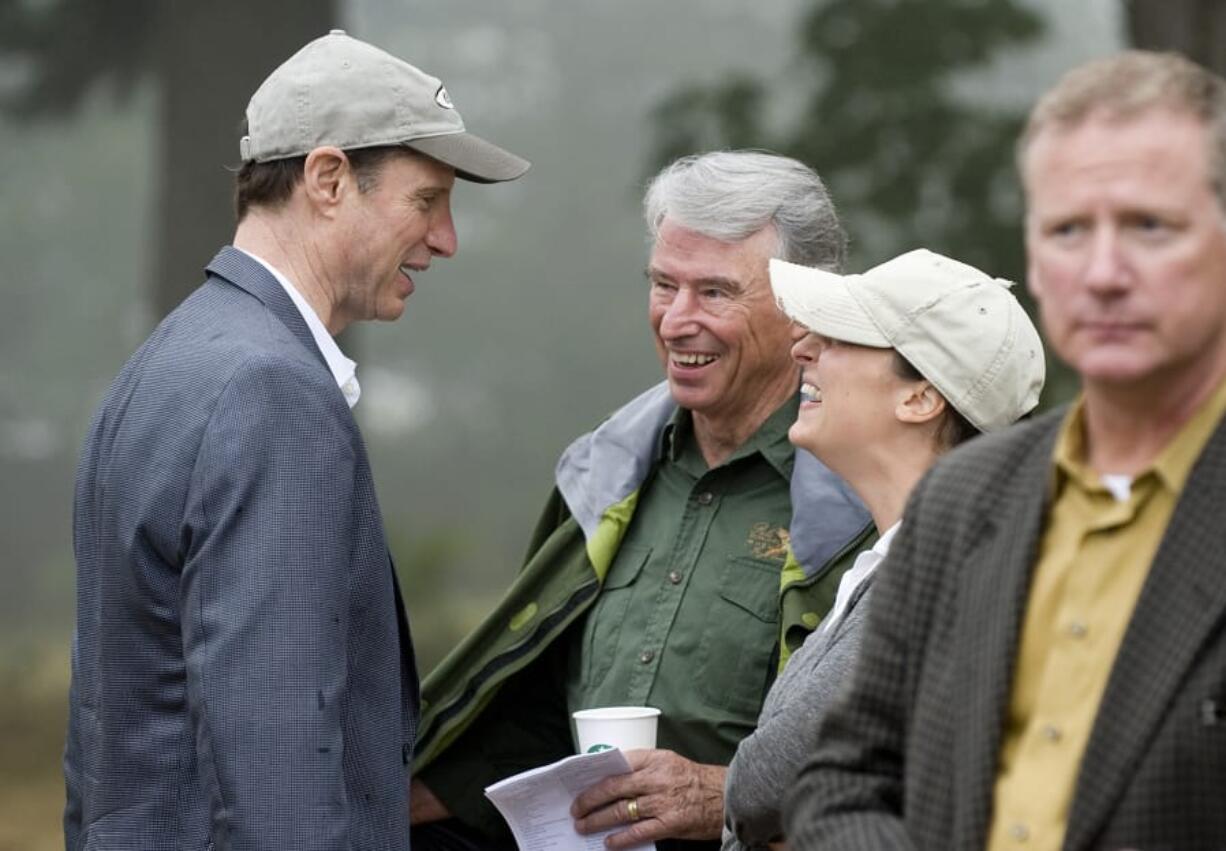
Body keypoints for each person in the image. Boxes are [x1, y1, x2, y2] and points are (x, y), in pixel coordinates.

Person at [63, 30, 528, 851]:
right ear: (327, 178)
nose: (446, 238)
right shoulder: (269, 390)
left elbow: (104, 744)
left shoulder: (165, 362)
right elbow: (279, 755)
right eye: (427, 200)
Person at [786, 49, 1226, 851]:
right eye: (1067, 230)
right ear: (1034, 258)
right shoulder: (963, 497)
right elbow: (842, 780)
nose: (1102, 272)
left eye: (1149, 225)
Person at [409, 151, 873, 850]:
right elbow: (531, 717)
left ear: (806, 309)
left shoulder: (871, 492)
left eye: (715, 292)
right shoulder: (603, 470)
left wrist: (723, 795)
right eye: (664, 284)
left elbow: (912, 755)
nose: (677, 319)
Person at [721, 248, 1044, 850]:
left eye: (841, 337)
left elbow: (762, 782)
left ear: (921, 398)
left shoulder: (951, 572)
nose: (803, 348)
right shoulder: (911, 556)